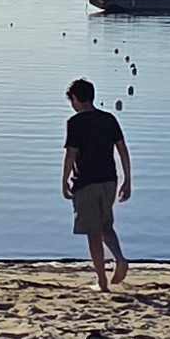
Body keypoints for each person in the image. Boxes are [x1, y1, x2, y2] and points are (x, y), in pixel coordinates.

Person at [62, 75, 131, 292]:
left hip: (86, 182)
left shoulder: (75, 123)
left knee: (93, 232)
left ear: (75, 99)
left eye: (71, 100)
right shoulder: (108, 119)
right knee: (106, 225)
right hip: (109, 180)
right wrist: (127, 179)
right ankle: (119, 258)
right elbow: (122, 149)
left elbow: (71, 155)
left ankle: (101, 281)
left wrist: (64, 181)